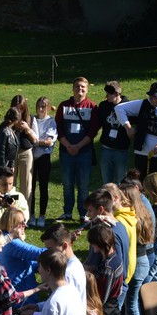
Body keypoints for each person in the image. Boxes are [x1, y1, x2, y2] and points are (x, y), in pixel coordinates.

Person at [55, 76, 100, 221]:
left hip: (84, 152)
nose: (80, 89)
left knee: (83, 185)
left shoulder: (92, 107)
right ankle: (67, 213)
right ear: (73, 88)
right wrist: (68, 145)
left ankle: (83, 214)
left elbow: (93, 131)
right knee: (67, 185)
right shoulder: (63, 106)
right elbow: (58, 128)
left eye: (83, 87)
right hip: (66, 152)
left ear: (87, 89)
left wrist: (78, 146)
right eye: (77, 86)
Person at [115, 81, 157, 178]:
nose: (152, 99)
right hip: (141, 155)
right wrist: (128, 127)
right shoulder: (143, 104)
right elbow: (119, 108)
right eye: (151, 96)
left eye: (155, 97)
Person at [120, 182, 154, 315]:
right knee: (133, 303)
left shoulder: (130, 218)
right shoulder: (143, 213)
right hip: (143, 260)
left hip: (136, 262)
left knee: (131, 304)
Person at [30, 96, 57, 228]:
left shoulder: (51, 122)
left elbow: (48, 142)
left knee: (43, 187)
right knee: (30, 187)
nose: (40, 109)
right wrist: (40, 142)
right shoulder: (32, 120)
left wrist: (35, 141)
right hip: (31, 157)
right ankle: (31, 214)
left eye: (43, 107)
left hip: (44, 158)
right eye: (38, 106)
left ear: (48, 108)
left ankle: (42, 215)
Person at [98, 81, 131, 185]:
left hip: (121, 150)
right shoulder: (103, 105)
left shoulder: (128, 106)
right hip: (106, 149)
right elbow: (98, 123)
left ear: (117, 94)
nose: (106, 96)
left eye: (109, 94)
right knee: (106, 182)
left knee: (120, 182)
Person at [10, 95, 38, 209]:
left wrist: (27, 129)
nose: (19, 110)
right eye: (16, 108)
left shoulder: (31, 119)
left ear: (25, 108)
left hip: (26, 153)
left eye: (21, 108)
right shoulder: (8, 119)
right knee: (10, 183)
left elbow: (35, 140)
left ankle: (25, 212)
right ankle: (10, 211)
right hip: (12, 154)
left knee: (26, 185)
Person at [0, 107, 20, 183]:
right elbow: (1, 151)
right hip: (1, 167)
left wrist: (11, 165)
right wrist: (4, 168)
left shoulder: (9, 130)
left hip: (7, 165)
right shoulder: (4, 131)